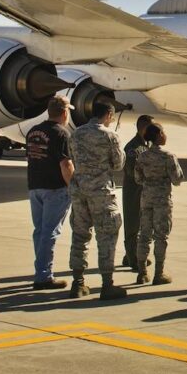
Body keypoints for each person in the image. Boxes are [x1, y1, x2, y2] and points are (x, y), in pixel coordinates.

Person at [68, 101, 126, 300]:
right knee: (107, 236)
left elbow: (72, 158)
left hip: (79, 189)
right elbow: (118, 164)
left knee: (80, 235)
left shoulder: (76, 133)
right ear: (109, 115)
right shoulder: (110, 135)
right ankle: (107, 284)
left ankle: (78, 283)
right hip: (100, 191)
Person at [26, 97, 74, 291]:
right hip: (54, 188)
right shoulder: (62, 134)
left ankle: (41, 270)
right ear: (64, 113)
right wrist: (73, 186)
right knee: (50, 233)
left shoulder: (33, 131)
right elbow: (66, 164)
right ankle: (43, 276)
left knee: (40, 231)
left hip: (35, 186)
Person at [132, 122, 183, 285]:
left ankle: (142, 273)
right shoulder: (168, 156)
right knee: (161, 236)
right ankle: (159, 273)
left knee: (144, 235)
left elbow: (138, 179)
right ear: (159, 135)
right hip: (162, 200)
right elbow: (177, 180)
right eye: (163, 132)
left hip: (146, 198)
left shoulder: (142, 156)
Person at [120, 115, 154, 272]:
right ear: (144, 129)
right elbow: (133, 172)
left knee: (141, 223)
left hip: (141, 191)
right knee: (133, 223)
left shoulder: (145, 146)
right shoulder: (134, 149)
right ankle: (133, 259)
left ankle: (131, 255)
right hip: (134, 191)